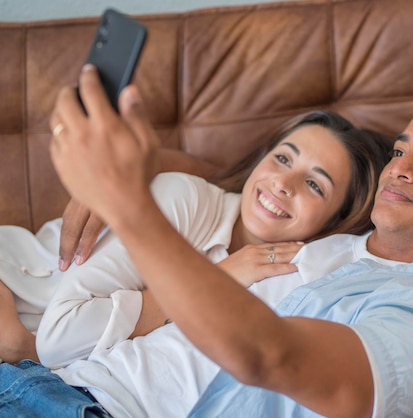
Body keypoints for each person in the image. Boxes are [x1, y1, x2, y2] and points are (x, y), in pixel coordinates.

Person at [1, 65, 413, 418]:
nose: (401, 170)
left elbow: (272, 357)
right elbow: (250, 187)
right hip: (46, 381)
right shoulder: (328, 241)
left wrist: (128, 201)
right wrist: (152, 168)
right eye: (400, 151)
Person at [0, 108, 391, 366]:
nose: (282, 183)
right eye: (283, 158)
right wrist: (215, 281)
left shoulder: (294, 276)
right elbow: (58, 338)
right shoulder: (186, 198)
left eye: (314, 184)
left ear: (336, 221)